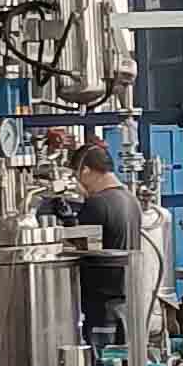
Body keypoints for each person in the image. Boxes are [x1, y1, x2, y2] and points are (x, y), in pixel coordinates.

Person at [68, 138, 133, 342]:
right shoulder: (130, 200)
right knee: (124, 358)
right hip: (128, 301)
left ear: (86, 171)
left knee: (102, 360)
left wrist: (67, 224)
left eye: (77, 176)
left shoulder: (98, 203)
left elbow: (78, 245)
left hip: (101, 305)